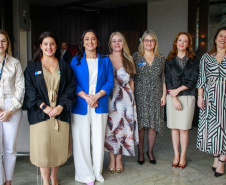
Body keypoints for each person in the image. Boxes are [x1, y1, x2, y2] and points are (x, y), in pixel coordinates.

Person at [24, 31, 75, 185]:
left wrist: (61, 106)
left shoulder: (65, 66)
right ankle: (46, 180)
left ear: (56, 46)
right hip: (41, 114)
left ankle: (54, 177)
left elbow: (70, 88)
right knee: (44, 149)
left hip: (60, 113)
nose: (49, 47)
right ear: (40, 46)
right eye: (45, 44)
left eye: (52, 43)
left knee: (57, 147)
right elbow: (29, 90)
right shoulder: (32, 67)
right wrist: (43, 106)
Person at [70, 30, 114, 185]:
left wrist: (96, 96)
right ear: (82, 42)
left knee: (98, 139)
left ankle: (97, 172)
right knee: (81, 140)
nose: (90, 42)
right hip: (81, 104)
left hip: (99, 103)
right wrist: (87, 97)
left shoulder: (105, 60)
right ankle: (85, 175)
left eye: (93, 39)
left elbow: (110, 82)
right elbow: (72, 82)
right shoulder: (76, 60)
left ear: (97, 41)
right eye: (87, 39)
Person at [105, 32, 138, 173]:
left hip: (126, 100)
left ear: (123, 43)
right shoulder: (105, 59)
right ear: (110, 44)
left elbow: (132, 82)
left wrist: (132, 102)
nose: (117, 43)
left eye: (119, 41)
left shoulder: (129, 60)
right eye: (114, 41)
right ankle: (111, 158)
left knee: (124, 130)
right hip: (110, 99)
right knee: (110, 130)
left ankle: (119, 159)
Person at [165, 32, 199, 169]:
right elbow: (167, 80)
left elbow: (193, 79)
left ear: (188, 44)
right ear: (176, 42)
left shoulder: (194, 60)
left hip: (187, 96)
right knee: (174, 128)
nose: (182, 43)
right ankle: (176, 154)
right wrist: (174, 98)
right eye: (180, 40)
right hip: (172, 97)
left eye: (185, 41)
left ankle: (183, 155)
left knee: (184, 129)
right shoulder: (169, 60)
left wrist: (177, 92)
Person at [133, 30, 166, 165]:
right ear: (142, 42)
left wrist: (164, 95)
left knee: (153, 125)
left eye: (151, 40)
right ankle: (140, 152)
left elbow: (163, 78)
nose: (148, 43)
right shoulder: (136, 57)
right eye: (146, 40)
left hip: (156, 95)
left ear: (155, 43)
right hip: (139, 95)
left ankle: (150, 151)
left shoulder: (161, 58)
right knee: (141, 125)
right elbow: (132, 78)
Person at [197, 27, 226, 177]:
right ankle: (216, 157)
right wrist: (200, 96)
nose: (223, 38)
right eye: (221, 36)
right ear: (215, 39)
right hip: (210, 97)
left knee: (225, 129)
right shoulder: (206, 57)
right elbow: (202, 78)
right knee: (213, 129)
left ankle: (222, 162)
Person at [0, 29, 25, 185]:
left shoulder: (15, 63)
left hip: (12, 107)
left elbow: (20, 88)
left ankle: (8, 181)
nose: (0, 44)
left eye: (3, 41)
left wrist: (10, 110)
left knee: (10, 148)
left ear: (7, 43)